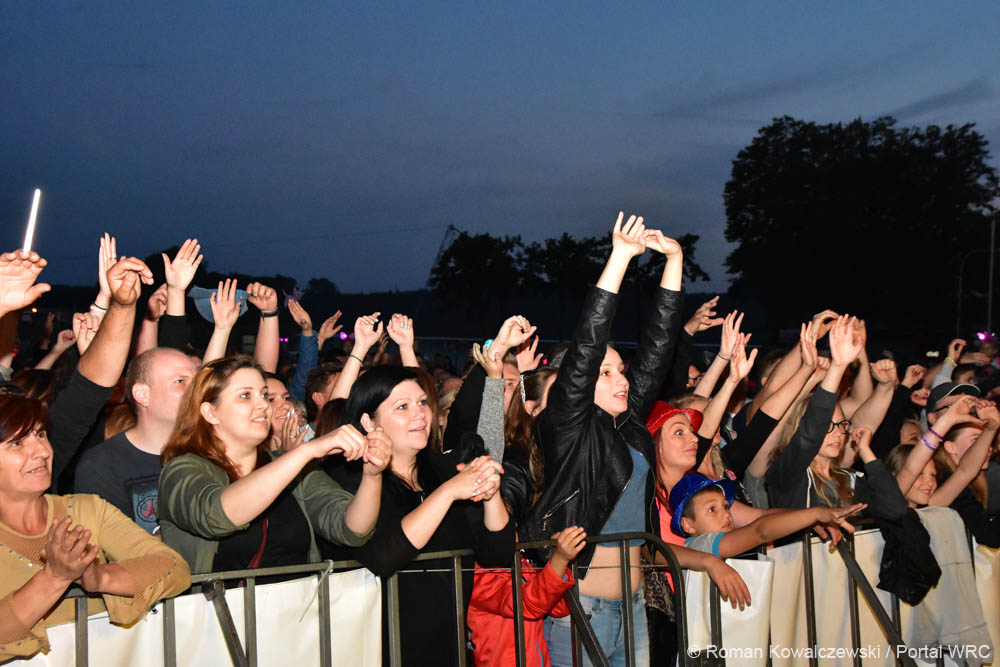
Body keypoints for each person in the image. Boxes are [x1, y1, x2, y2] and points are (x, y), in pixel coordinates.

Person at [518, 213, 750, 667]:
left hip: (633, 602)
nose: (621, 378)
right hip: (586, 608)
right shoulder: (566, 429)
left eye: (620, 370)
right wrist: (621, 257)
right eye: (606, 374)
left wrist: (674, 261)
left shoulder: (628, 426)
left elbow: (659, 348)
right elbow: (587, 346)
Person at [320, 365, 514, 667]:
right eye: (402, 407)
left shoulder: (442, 470)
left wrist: (491, 494)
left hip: (447, 642)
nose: (420, 414)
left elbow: (497, 554)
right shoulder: (348, 479)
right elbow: (383, 556)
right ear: (368, 422)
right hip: (380, 646)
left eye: (423, 403)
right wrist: (447, 493)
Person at [0, 394, 191, 661]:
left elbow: (174, 568)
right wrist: (54, 578)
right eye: (18, 442)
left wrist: (97, 577)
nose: (42, 451)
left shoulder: (85, 510)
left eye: (41, 434)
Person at [158, 355, 385, 574]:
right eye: (245, 396)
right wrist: (306, 451)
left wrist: (372, 475)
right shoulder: (181, 470)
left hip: (296, 609)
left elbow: (352, 528)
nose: (264, 406)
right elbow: (216, 515)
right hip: (221, 611)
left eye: (264, 395)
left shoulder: (287, 466)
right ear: (211, 412)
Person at [74, 348, 199, 533]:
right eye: (180, 381)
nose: (197, 390)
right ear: (142, 394)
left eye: (197, 382)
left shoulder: (208, 451)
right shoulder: (100, 466)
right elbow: (117, 552)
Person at [468, 527, 586, 667]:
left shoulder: (523, 564)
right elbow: (528, 604)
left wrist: (556, 559)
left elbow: (560, 608)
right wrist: (560, 559)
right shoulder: (478, 577)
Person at [667, 473, 864, 557]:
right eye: (712, 509)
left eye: (726, 507)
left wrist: (807, 518)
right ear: (688, 525)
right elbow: (760, 530)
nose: (726, 515)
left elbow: (763, 516)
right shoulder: (702, 545)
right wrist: (815, 514)